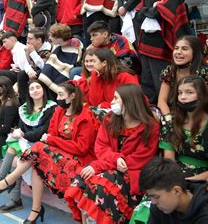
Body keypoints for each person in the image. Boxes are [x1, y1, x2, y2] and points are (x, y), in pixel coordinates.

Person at [0, 82, 97, 223]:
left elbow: (81, 149)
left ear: (72, 96)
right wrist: (53, 141)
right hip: (58, 153)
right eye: (57, 94)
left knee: (39, 149)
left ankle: (9, 180)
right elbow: (51, 134)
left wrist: (54, 141)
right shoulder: (59, 111)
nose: (58, 97)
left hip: (78, 159)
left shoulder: (85, 116)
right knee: (38, 163)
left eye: (61, 95)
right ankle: (35, 210)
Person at [65, 84, 160, 223]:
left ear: (129, 101)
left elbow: (141, 159)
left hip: (134, 173)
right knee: (81, 180)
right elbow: (101, 147)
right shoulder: (110, 119)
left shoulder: (151, 127)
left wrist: (103, 165)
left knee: (99, 184)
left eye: (116, 98)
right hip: (109, 165)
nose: (112, 102)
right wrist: (114, 160)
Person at [0, 80, 56, 214]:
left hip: (41, 143)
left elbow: (43, 130)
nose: (35, 90)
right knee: (13, 146)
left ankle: (7, 189)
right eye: (32, 88)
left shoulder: (51, 107)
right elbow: (21, 127)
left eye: (38, 87)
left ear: (43, 90)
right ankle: (5, 186)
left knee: (16, 157)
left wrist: (23, 134)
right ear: (29, 93)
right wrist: (18, 133)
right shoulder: (25, 108)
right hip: (26, 142)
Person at [136, 0, 191, 104]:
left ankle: (167, 113)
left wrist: (152, 9)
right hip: (146, 42)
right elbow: (139, 12)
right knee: (147, 80)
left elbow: (160, 12)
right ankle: (152, 113)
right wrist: (152, 9)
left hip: (161, 43)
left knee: (160, 80)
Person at [160, 76, 208, 180]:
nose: (182, 97)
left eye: (189, 92)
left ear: (202, 95)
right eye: (179, 92)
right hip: (175, 172)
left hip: (205, 177)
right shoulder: (170, 121)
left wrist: (192, 180)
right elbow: (169, 159)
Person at [139, 157, 208, 224]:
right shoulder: (159, 207)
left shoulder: (206, 211)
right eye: (151, 196)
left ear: (177, 191)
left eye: (156, 197)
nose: (153, 202)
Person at [158, 36, 208, 116]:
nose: (178, 52)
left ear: (195, 53)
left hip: (200, 116)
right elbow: (162, 101)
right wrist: (168, 120)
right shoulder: (169, 71)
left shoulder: (205, 73)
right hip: (176, 115)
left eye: (184, 49)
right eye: (176, 48)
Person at [38, 23, 83, 95]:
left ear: (59, 37)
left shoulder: (74, 43)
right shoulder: (57, 46)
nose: (49, 38)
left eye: (52, 36)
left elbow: (75, 58)